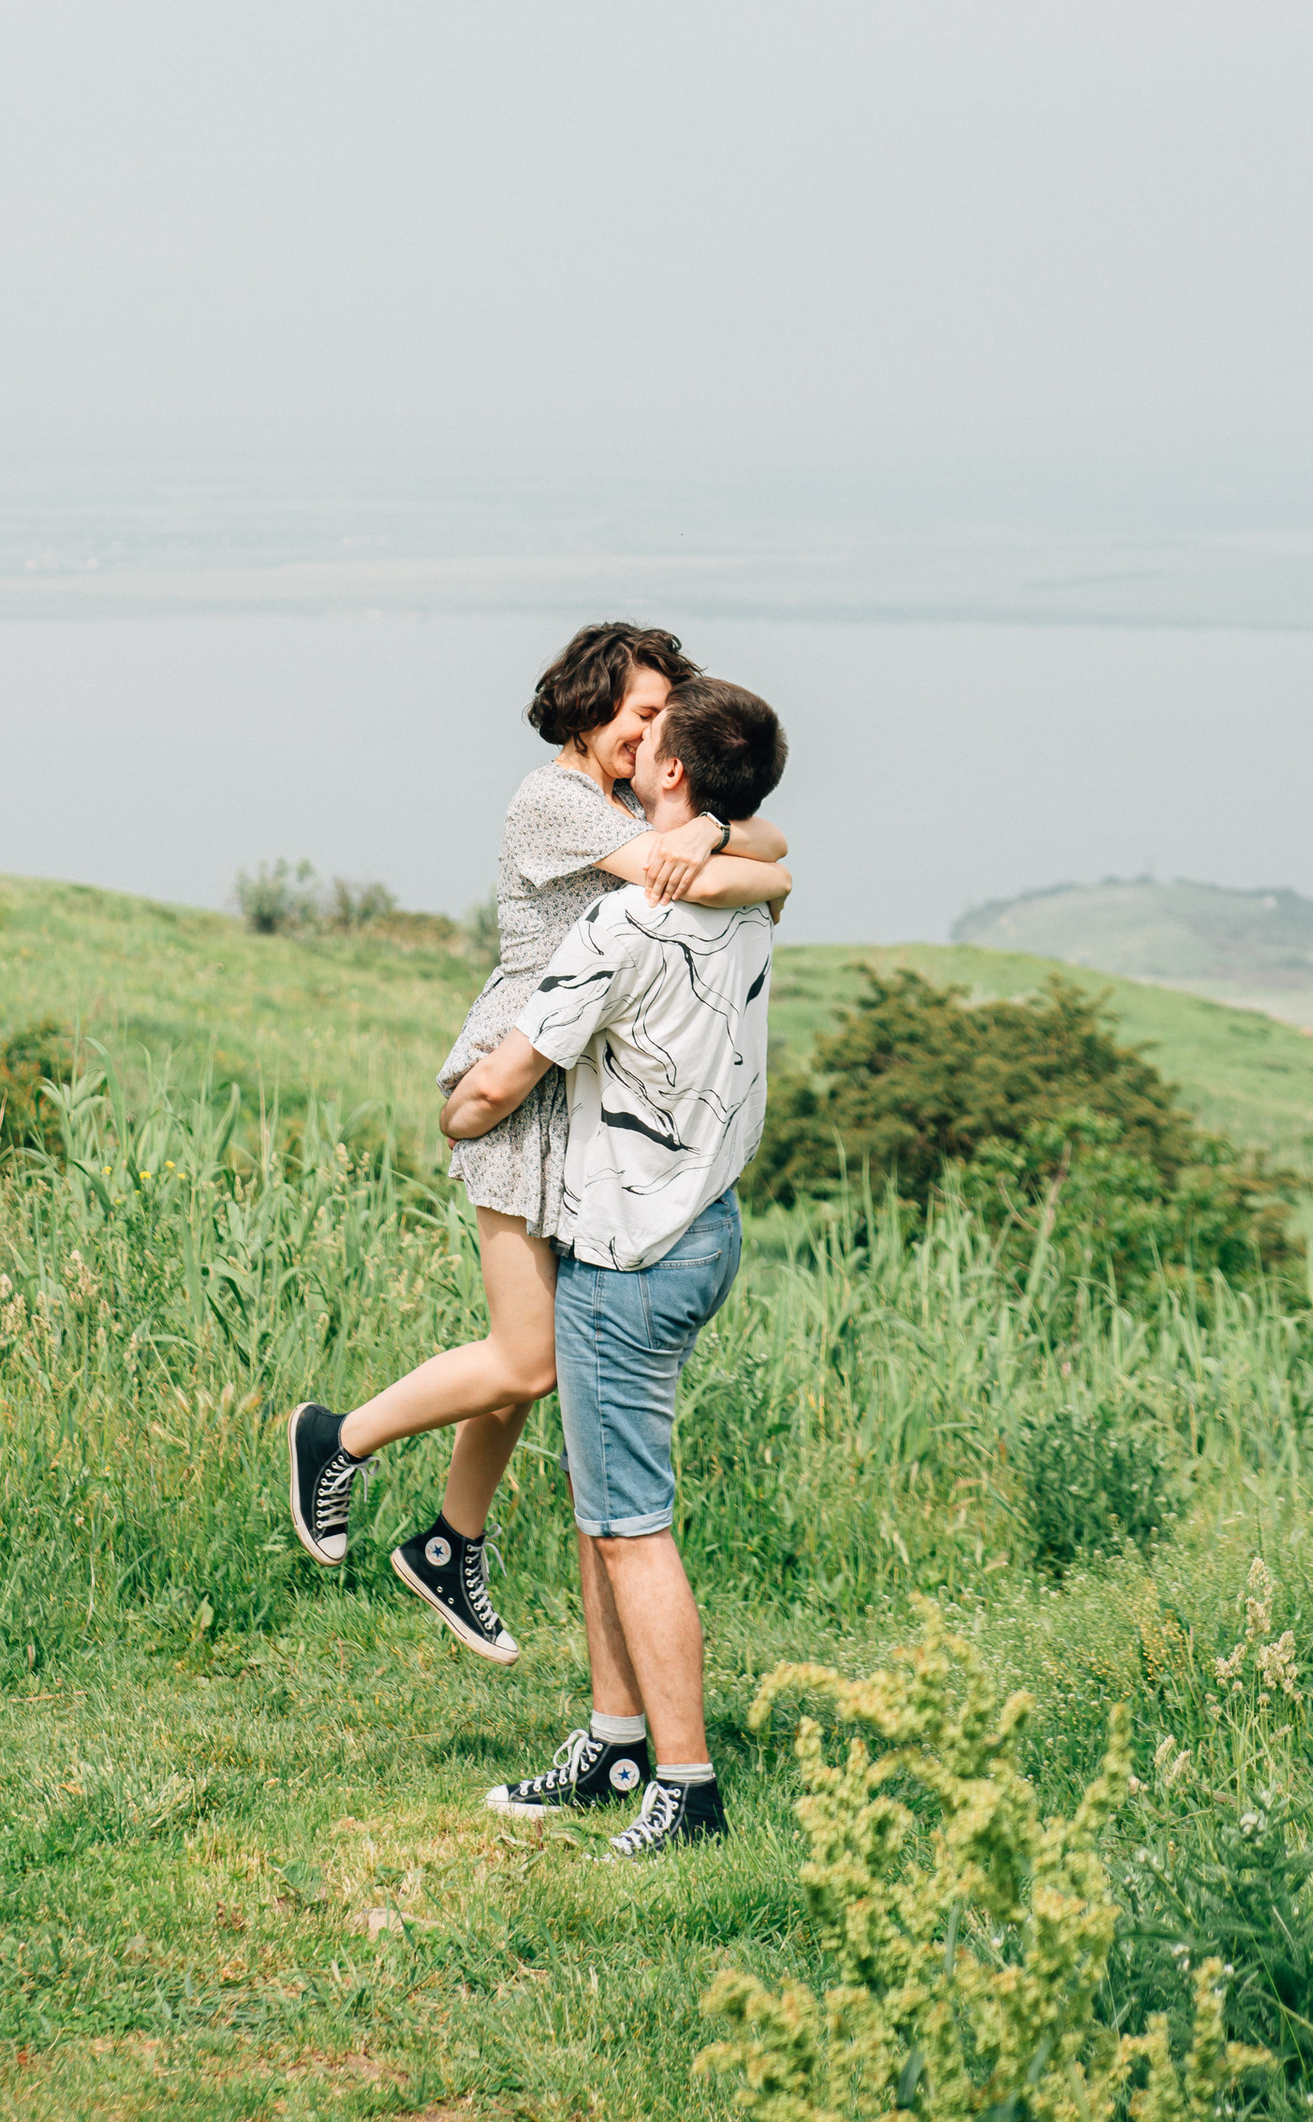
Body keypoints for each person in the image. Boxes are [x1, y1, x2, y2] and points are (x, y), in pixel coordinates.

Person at [284, 622, 788, 1661]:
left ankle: (450, 1542)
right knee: (527, 1355)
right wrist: (710, 838)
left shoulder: (623, 806)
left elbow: (772, 861)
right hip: (516, 1084)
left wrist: (714, 835)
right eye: (641, 712)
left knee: (538, 1354)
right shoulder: (551, 799)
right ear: (591, 703)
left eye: (664, 720)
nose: (652, 731)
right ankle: (338, 1438)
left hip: (584, 1095)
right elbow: (741, 868)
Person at [452, 672, 785, 1861]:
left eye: (655, 738)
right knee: (602, 1517)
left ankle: (683, 1780)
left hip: (627, 1250)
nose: (636, 747)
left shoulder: (623, 920)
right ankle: (612, 1736)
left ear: (677, 777)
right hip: (705, 1227)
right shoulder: (749, 907)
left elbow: (505, 1076)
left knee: (632, 1525)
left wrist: (461, 1116)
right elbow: (767, 865)